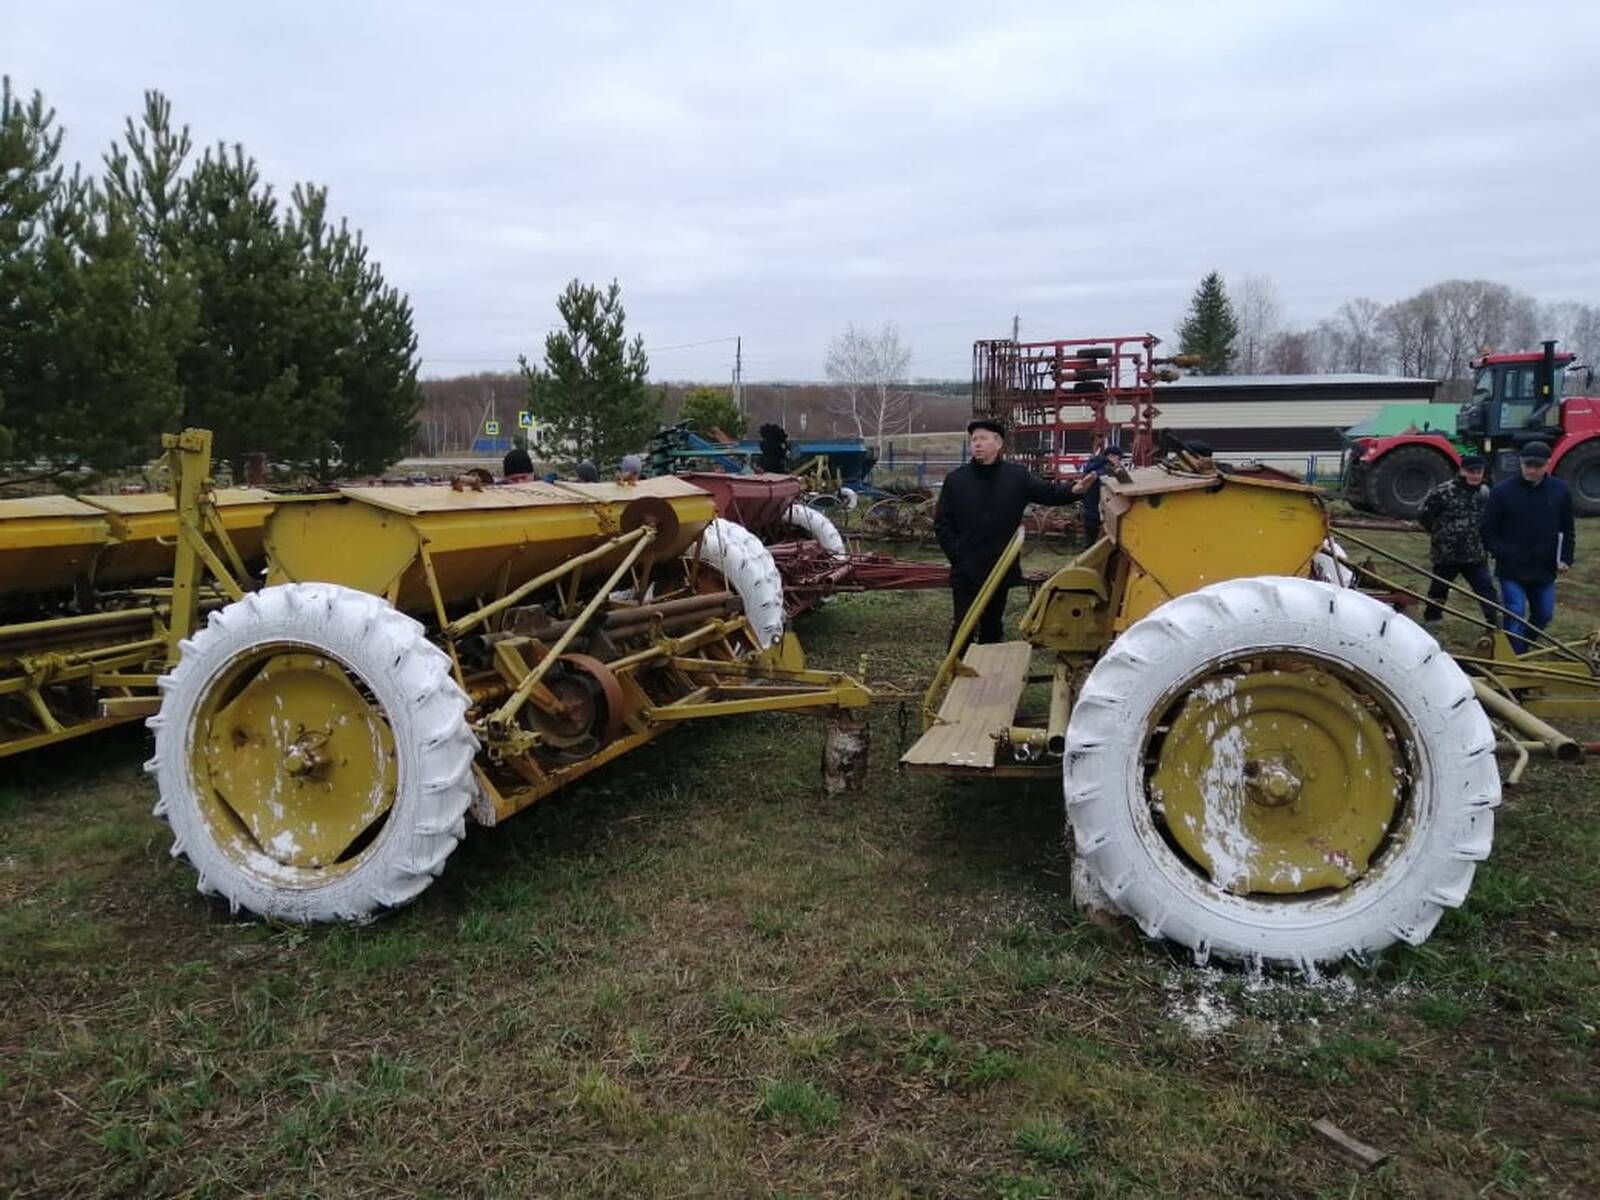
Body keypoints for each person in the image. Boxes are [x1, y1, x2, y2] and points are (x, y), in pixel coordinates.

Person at [934, 418, 1083, 648]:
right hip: (967, 567)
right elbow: (942, 523)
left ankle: (987, 672)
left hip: (1001, 564)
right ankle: (956, 671)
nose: (977, 444)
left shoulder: (1017, 477)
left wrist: (1075, 490)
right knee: (963, 624)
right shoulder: (956, 480)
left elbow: (1049, 493)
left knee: (992, 625)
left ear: (998, 443)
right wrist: (957, 556)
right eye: (974, 439)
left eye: (983, 439)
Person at [1481, 441, 1576, 653]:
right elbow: (1487, 529)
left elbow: (1567, 528)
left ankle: (1525, 645)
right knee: (1515, 612)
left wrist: (1566, 557)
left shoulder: (1560, 490)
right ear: (1520, 463)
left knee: (1544, 614)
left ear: (1548, 464)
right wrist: (1501, 552)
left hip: (1544, 567)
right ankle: (1517, 658)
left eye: (1537, 466)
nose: (1532, 470)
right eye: (1527, 465)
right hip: (1512, 568)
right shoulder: (1502, 492)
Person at [1417, 454, 1497, 622]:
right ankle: (1432, 620)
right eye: (1471, 471)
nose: (1475, 475)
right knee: (1438, 589)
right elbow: (1424, 514)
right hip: (1447, 554)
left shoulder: (1485, 493)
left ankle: (1495, 625)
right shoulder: (1444, 491)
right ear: (1462, 470)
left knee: (1486, 591)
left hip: (1475, 554)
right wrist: (1439, 534)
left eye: (1478, 472)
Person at [1072, 443, 1124, 545]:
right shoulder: (1104, 470)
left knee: (1091, 541)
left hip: (1090, 508)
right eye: (1119, 458)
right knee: (1095, 544)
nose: (1119, 462)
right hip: (1097, 510)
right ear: (1111, 456)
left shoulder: (1094, 466)